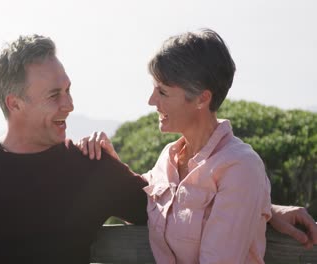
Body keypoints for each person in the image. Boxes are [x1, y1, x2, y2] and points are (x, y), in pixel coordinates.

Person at [0, 34, 317, 264]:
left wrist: (267, 208)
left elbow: (170, 207)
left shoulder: (89, 166)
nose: (69, 105)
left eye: (68, 89)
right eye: (54, 95)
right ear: (14, 103)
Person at [77, 28, 317, 263]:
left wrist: (260, 206)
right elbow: (147, 206)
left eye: (162, 91)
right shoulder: (167, 159)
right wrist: (110, 161)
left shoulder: (240, 167)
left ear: (202, 98)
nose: (151, 101)